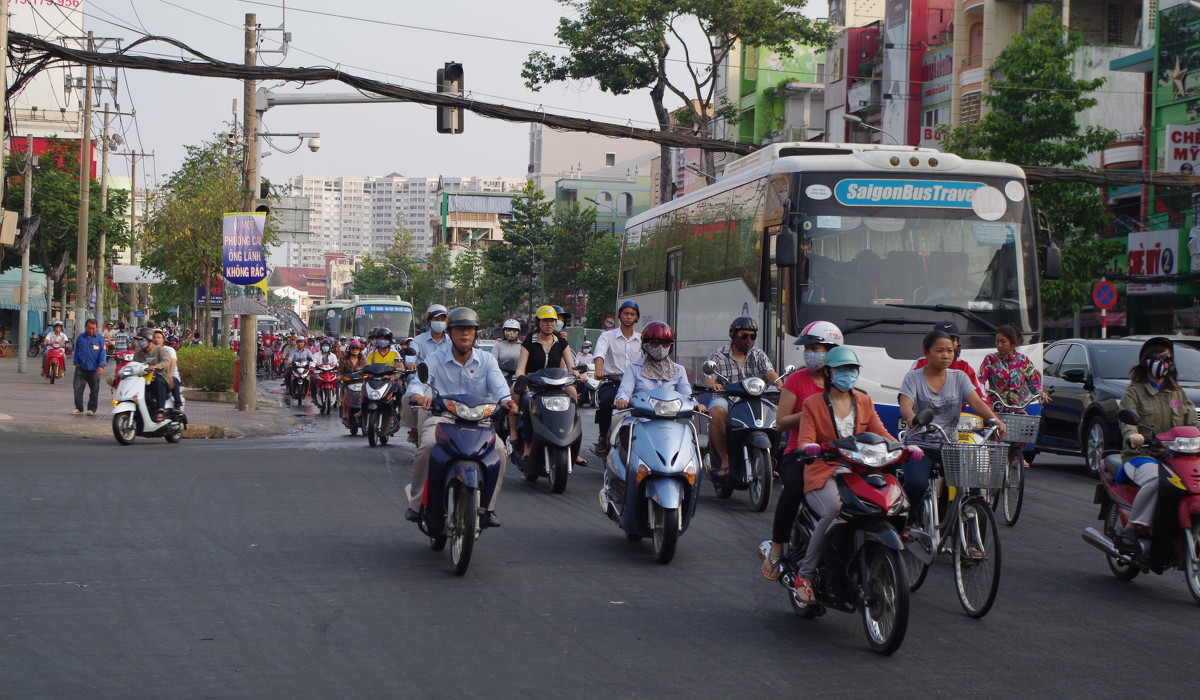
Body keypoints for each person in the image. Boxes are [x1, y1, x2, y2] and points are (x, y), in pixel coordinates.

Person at [787, 347, 901, 603]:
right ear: (828, 372)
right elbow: (805, 440)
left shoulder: (864, 401)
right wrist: (811, 448)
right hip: (824, 471)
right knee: (833, 509)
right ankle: (804, 575)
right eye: (842, 369)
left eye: (852, 369)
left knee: (890, 502)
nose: (848, 374)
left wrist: (903, 448)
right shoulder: (812, 404)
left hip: (860, 471)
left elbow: (882, 434)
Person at [404, 307, 514, 528]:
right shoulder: (435, 359)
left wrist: (506, 400)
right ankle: (416, 505)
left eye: (469, 330)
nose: (465, 334)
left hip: (480, 420)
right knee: (426, 447)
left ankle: (488, 508)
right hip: (443, 418)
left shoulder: (486, 360)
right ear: (450, 333)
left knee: (501, 451)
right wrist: (418, 395)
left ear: (475, 334)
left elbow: (500, 387)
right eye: (459, 329)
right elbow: (417, 383)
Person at [761, 320, 844, 580]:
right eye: (808, 348)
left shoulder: (843, 381)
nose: (810, 353)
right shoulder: (797, 380)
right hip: (800, 453)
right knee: (794, 487)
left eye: (815, 348)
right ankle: (776, 546)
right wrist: (813, 411)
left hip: (836, 453)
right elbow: (781, 421)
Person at [898, 330, 1006, 528]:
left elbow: (976, 402)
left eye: (950, 350)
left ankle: (972, 540)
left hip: (949, 446)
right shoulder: (913, 378)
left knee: (971, 488)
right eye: (939, 350)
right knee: (916, 484)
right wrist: (912, 418)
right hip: (919, 446)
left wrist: (994, 420)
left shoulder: (960, 377)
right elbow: (906, 403)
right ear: (926, 353)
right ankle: (909, 520)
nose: (946, 355)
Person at [1113, 337, 1197, 552]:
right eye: (1158, 357)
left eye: (1167, 358)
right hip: (1141, 455)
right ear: (1146, 361)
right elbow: (1127, 423)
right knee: (1156, 481)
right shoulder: (1134, 392)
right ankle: (1132, 527)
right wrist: (1134, 435)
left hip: (1175, 459)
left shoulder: (1178, 394)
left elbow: (1193, 425)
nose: (1163, 362)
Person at [702, 316, 781, 476]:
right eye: (744, 336)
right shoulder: (718, 355)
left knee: (779, 413)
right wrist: (714, 385)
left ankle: (769, 461)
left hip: (755, 398)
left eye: (752, 336)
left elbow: (770, 372)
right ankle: (725, 459)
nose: (748, 340)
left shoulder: (758, 354)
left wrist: (780, 383)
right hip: (727, 398)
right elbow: (708, 378)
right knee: (716, 412)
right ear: (734, 335)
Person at [514, 305, 583, 464]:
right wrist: (522, 378)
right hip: (534, 386)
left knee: (572, 394)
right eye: (545, 321)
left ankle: (573, 447)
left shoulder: (562, 342)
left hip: (556, 386)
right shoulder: (528, 343)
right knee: (526, 402)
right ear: (538, 322)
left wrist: (578, 374)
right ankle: (527, 445)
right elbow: (520, 368)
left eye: (552, 321)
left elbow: (571, 366)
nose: (549, 324)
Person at [612, 321, 691, 427]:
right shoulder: (633, 368)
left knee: (689, 440)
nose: (660, 347)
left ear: (671, 346)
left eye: (665, 343)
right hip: (638, 422)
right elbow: (625, 390)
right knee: (625, 437)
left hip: (671, 424)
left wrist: (696, 405)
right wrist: (622, 400)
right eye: (655, 342)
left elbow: (687, 395)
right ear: (645, 344)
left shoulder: (678, 370)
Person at [592, 300, 642, 457]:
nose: (628, 317)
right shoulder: (607, 336)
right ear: (619, 315)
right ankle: (602, 436)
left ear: (637, 318)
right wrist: (599, 370)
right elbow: (599, 354)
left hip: (635, 385)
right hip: (612, 382)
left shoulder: (642, 339)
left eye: (632, 314)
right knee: (607, 401)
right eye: (626, 313)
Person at [978, 323, 1048, 408]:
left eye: (1003, 342)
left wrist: (1040, 393)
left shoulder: (1023, 361)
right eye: (997, 341)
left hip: (1018, 410)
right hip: (996, 410)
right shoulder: (990, 359)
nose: (999, 345)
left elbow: (1033, 382)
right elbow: (979, 382)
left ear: (1013, 344)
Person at [911, 321, 985, 397]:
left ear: (957, 343)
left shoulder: (962, 369)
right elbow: (908, 401)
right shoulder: (918, 367)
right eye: (939, 351)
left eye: (952, 339)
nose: (945, 356)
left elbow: (981, 398)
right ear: (926, 351)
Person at [132, 329, 173, 421]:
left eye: (142, 340)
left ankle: (160, 410)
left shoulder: (160, 350)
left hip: (160, 379)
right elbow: (133, 365)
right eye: (139, 340)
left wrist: (156, 366)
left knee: (159, 381)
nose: (140, 342)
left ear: (149, 339)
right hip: (143, 381)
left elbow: (167, 362)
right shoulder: (138, 354)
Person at [71, 319, 108, 415]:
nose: (91, 330)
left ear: (96, 328)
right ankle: (79, 408)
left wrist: (101, 366)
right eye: (89, 328)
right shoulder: (80, 338)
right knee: (77, 389)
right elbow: (76, 350)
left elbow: (103, 353)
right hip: (81, 368)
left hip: (94, 369)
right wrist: (76, 362)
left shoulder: (99, 339)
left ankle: (91, 409)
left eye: (93, 328)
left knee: (94, 390)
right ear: (85, 327)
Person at [152, 329, 184, 409]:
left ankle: (176, 406)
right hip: (154, 378)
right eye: (154, 338)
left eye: (159, 338)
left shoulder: (169, 350)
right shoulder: (149, 351)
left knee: (161, 381)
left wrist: (170, 376)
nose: (156, 340)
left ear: (163, 339)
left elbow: (172, 363)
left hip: (170, 377)